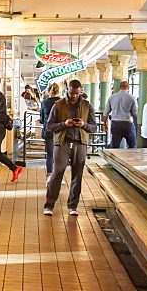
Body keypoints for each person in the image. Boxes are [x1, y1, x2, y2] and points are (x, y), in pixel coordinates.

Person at [44, 79, 97, 216]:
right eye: (71, 93)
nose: (73, 96)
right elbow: (49, 126)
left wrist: (83, 124)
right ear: (67, 90)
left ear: (80, 91)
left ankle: (73, 206)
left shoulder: (87, 105)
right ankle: (49, 205)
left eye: (76, 93)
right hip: (62, 143)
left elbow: (93, 127)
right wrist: (64, 124)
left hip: (80, 143)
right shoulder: (58, 105)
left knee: (77, 175)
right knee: (57, 173)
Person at [103, 80, 137, 149]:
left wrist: (104, 124)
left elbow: (106, 112)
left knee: (115, 145)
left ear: (119, 87)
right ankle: (129, 159)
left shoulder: (111, 97)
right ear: (128, 88)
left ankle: (114, 159)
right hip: (128, 124)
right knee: (132, 145)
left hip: (115, 123)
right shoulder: (132, 98)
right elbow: (135, 114)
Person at [39, 83, 61, 179]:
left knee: (50, 154)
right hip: (60, 131)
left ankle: (49, 175)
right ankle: (58, 176)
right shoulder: (62, 102)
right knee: (60, 154)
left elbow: (42, 118)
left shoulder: (44, 102)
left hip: (48, 130)